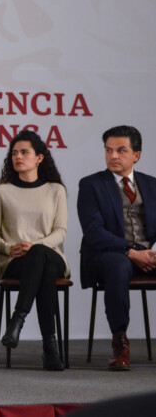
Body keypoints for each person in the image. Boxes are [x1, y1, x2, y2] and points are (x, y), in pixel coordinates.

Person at [0, 130, 68, 371]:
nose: (17, 157)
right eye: (14, 153)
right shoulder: (2, 191)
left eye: (24, 152)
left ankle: (17, 319)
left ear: (39, 158)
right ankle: (50, 348)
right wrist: (9, 248)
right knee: (43, 269)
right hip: (16, 260)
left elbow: (61, 231)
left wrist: (36, 245)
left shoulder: (56, 190)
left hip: (51, 254)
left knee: (40, 255)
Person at [78, 125, 156, 371]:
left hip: (149, 254)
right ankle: (120, 342)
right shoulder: (91, 185)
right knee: (119, 265)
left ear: (137, 155)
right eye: (108, 150)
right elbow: (94, 232)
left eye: (121, 150)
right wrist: (132, 251)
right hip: (108, 256)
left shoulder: (152, 185)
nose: (113, 156)